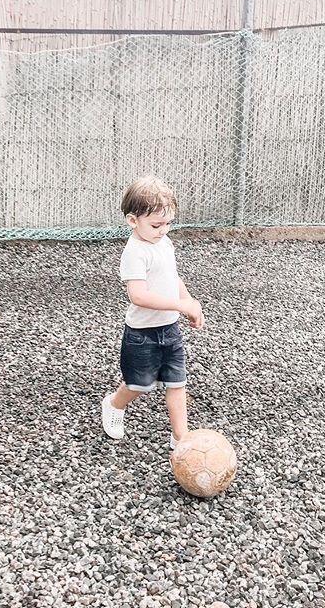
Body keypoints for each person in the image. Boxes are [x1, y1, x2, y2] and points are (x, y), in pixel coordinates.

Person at [101, 175, 205, 450]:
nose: (163, 230)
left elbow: (173, 277)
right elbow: (138, 295)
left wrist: (189, 301)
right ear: (133, 220)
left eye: (168, 223)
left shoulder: (164, 243)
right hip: (141, 335)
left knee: (177, 383)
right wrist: (180, 305)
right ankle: (113, 404)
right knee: (139, 385)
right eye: (156, 224)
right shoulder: (134, 253)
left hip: (170, 329)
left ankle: (181, 439)